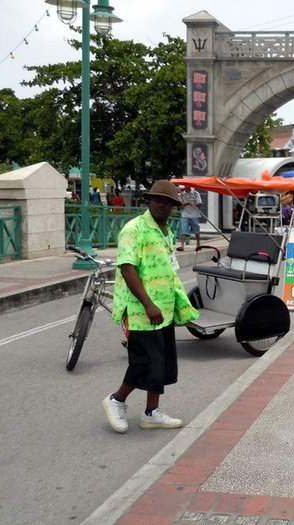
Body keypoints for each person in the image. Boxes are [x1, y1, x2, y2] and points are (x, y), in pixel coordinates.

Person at [103, 179, 199, 433]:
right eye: (159, 200)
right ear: (149, 200)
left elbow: (169, 270)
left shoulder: (165, 230)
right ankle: (116, 400)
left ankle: (151, 413)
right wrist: (148, 304)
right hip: (141, 310)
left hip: (164, 309)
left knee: (162, 363)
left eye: (169, 203)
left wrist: (181, 307)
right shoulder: (134, 229)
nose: (163, 206)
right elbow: (127, 268)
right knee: (144, 362)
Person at [176, 185, 202, 251]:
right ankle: (182, 246)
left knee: (196, 231)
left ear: (190, 187)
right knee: (183, 230)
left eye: (188, 188)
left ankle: (198, 244)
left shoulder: (196, 193)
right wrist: (186, 204)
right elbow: (180, 206)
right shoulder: (181, 195)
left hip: (195, 215)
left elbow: (200, 204)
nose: (186, 189)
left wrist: (193, 204)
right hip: (185, 215)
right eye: (186, 188)